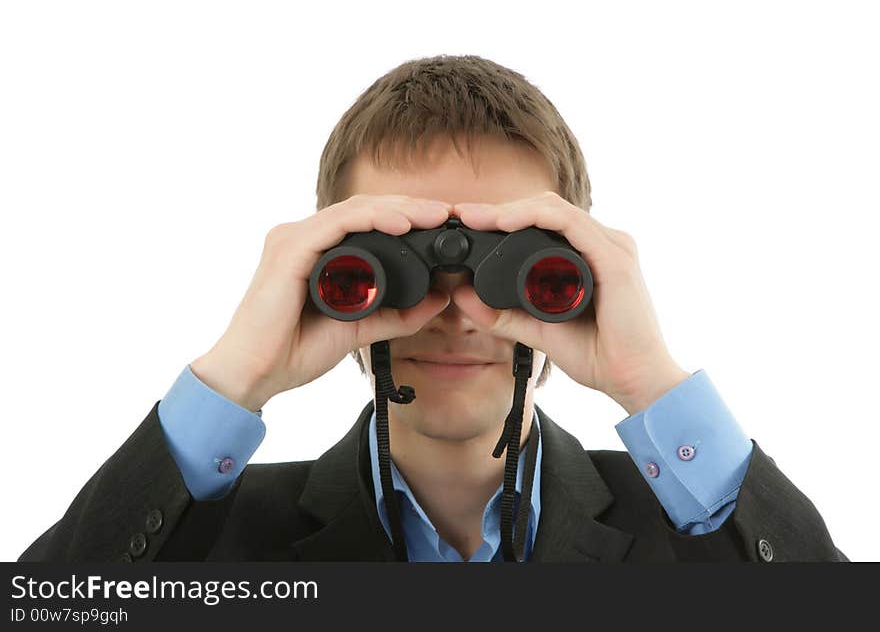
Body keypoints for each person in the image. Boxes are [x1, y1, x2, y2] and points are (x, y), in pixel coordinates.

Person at [20, 54, 846, 563]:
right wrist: (234, 374)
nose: (456, 312)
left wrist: (653, 384)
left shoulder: (693, 526)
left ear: (581, 268)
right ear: (323, 272)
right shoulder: (216, 540)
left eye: (511, 265)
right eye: (396, 259)